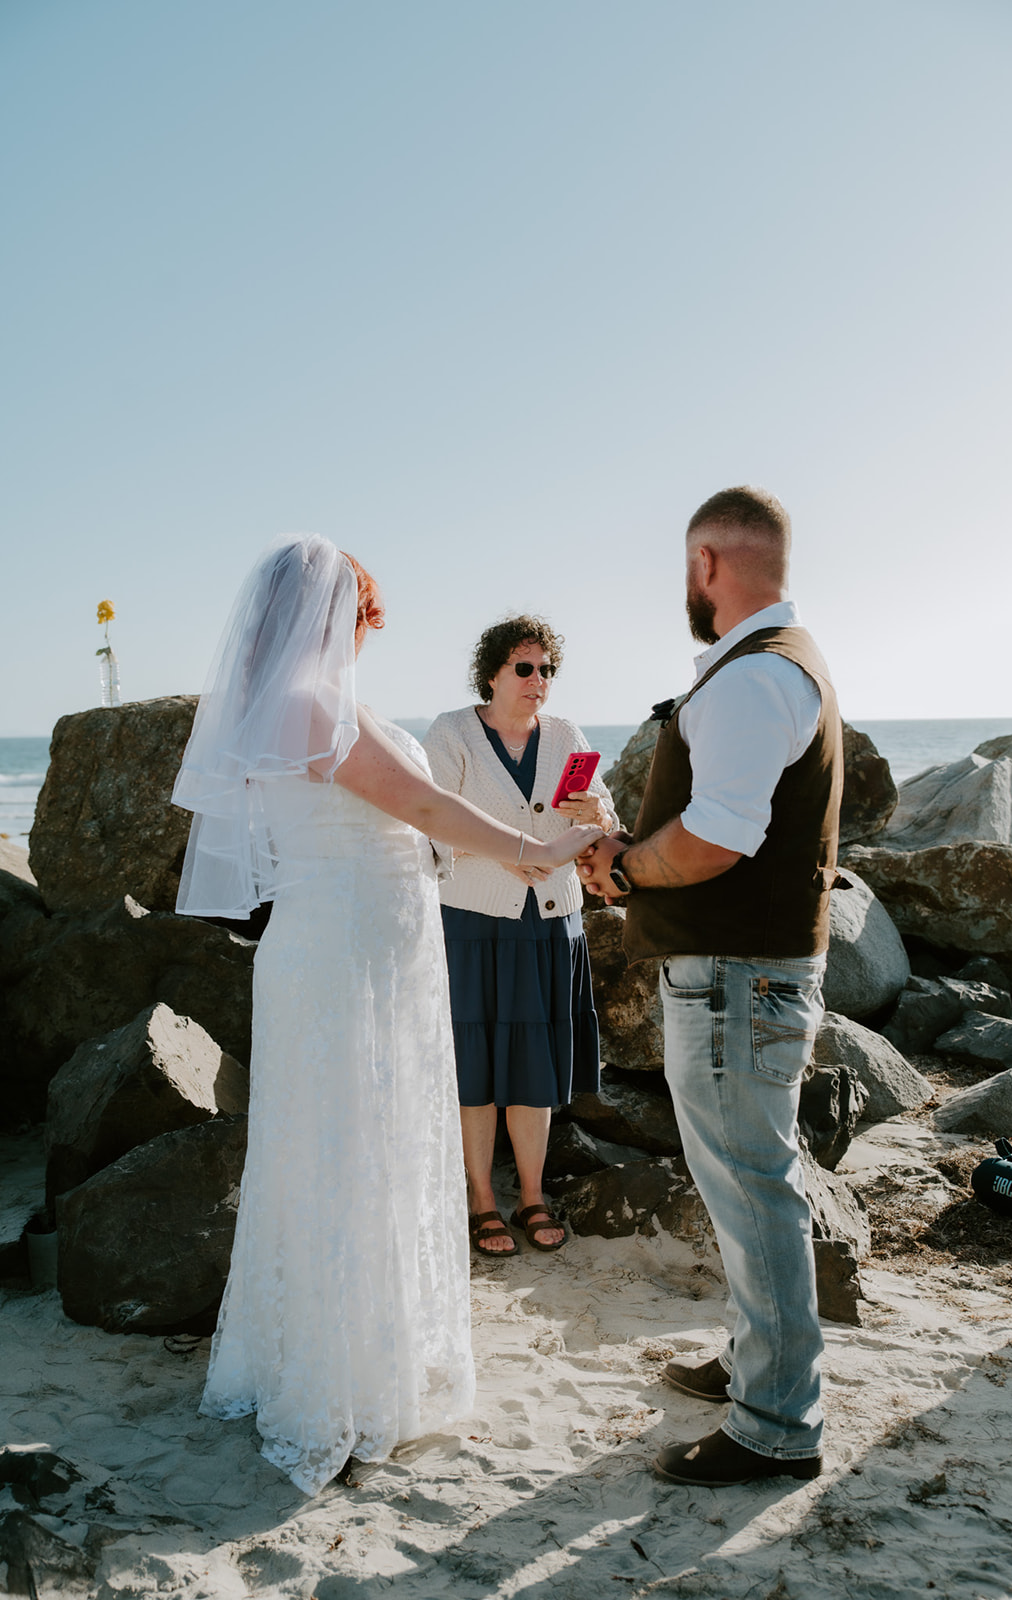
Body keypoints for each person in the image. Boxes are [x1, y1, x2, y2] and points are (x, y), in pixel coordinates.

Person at [172, 539, 600, 1495]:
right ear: (334, 613)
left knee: (352, 1147)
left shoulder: (293, 703)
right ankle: (344, 1385)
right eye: (363, 608)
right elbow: (422, 804)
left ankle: (349, 1358)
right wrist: (536, 849)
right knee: (346, 1152)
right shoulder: (309, 705)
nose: (373, 625)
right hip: (348, 950)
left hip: (362, 942)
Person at [578, 486, 843, 1488]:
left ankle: (776, 1422)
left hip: (738, 980)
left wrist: (624, 864)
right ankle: (752, 1362)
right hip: (752, 975)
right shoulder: (785, 665)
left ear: (708, 566)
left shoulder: (748, 679)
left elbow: (720, 837)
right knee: (744, 1185)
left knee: (754, 1187)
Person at [422, 617, 617, 1256]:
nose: (539, 682)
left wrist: (596, 814)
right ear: (494, 673)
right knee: (473, 1068)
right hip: (472, 921)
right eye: (525, 669)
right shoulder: (451, 732)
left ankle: (531, 1195)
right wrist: (506, 852)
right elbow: (429, 827)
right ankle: (482, 1198)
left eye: (547, 670)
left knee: (532, 1070)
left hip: (551, 921)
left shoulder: (566, 735)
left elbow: (601, 817)